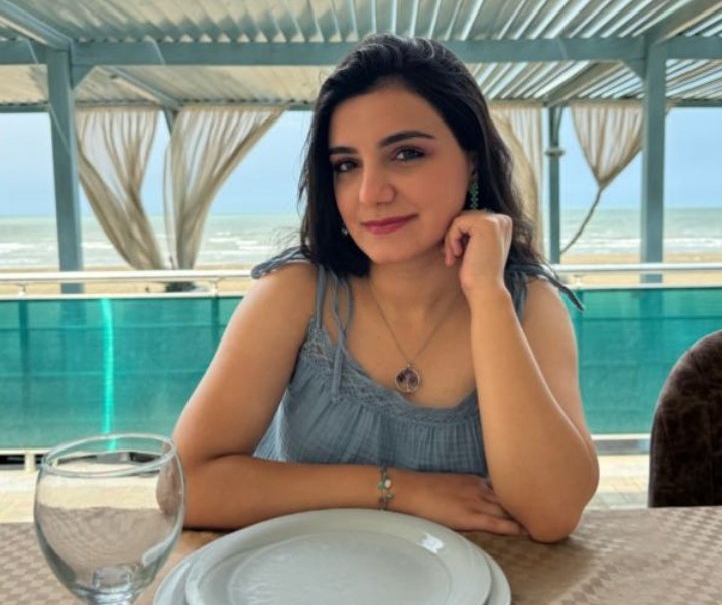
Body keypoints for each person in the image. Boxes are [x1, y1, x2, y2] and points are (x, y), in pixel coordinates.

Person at [173, 33, 599, 543]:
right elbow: (184, 486)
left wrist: (487, 294)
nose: (371, 193)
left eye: (406, 154)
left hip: (482, 581)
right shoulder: (296, 294)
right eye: (346, 165)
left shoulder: (528, 306)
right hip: (305, 574)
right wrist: (401, 491)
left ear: (471, 159)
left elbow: (551, 514)